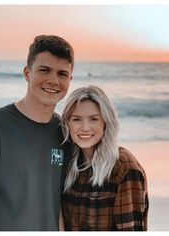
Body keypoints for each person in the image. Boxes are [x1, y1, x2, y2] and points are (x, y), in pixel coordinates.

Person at [0, 35, 74, 231]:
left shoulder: (66, 133)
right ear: (27, 73)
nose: (53, 80)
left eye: (62, 74)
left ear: (70, 79)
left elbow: (57, 203)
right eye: (44, 70)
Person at [60, 85, 149, 231]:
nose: (85, 127)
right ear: (67, 123)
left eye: (94, 119)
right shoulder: (70, 163)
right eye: (76, 119)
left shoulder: (124, 168)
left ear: (106, 122)